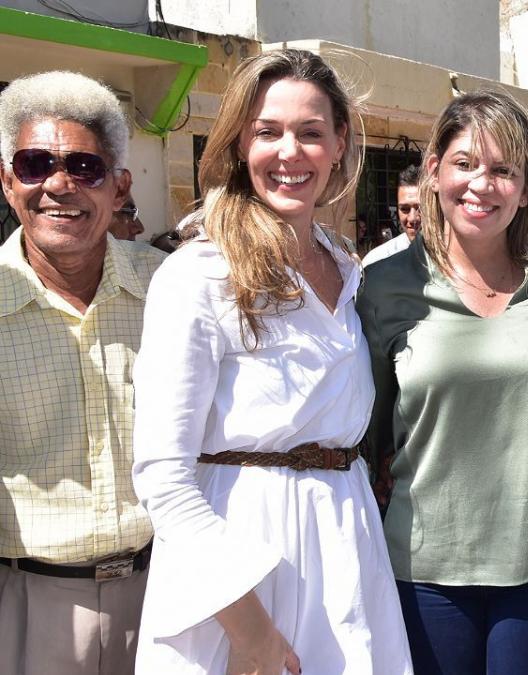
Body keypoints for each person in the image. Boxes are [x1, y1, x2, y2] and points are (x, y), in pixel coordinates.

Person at [131, 49, 411, 674]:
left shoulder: (346, 265)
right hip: (242, 565)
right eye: (267, 131)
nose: (290, 152)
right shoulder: (200, 274)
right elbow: (162, 476)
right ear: (239, 143)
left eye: (310, 132)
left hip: (347, 543)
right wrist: (250, 628)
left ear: (339, 143)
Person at [358, 88, 528, 675]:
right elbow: (368, 427)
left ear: (525, 189)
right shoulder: (384, 285)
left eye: (503, 170)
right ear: (434, 171)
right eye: (465, 163)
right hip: (424, 564)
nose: (482, 184)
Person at [0, 70, 164, 675]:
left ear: (120, 187)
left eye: (85, 168)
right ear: (7, 181)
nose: (57, 185)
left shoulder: (170, 290)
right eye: (35, 164)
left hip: (164, 592)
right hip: (26, 606)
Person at [362, 164, 422, 267]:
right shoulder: (376, 262)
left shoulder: (450, 259)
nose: (412, 218)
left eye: (421, 209)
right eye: (405, 209)